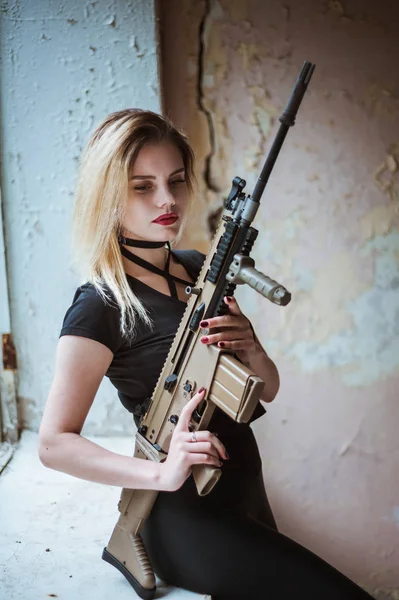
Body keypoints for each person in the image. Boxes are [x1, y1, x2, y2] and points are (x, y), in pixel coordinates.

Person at [39, 109, 374, 599]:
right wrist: (160, 472)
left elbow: (271, 389)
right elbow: (52, 444)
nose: (167, 199)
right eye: (142, 187)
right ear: (106, 194)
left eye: (175, 180)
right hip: (185, 514)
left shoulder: (199, 270)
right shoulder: (101, 304)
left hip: (244, 489)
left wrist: (251, 345)